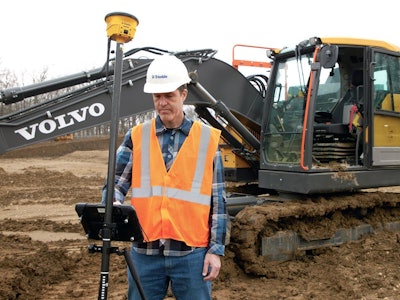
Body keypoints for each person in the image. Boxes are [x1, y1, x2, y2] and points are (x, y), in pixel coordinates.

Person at [102, 54, 231, 300]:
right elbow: (115, 184)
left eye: (169, 96)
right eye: (157, 97)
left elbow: (218, 202)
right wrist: (113, 205)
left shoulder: (207, 139)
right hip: (145, 253)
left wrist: (215, 251)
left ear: (183, 95)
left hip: (191, 254)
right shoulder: (137, 136)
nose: (162, 103)